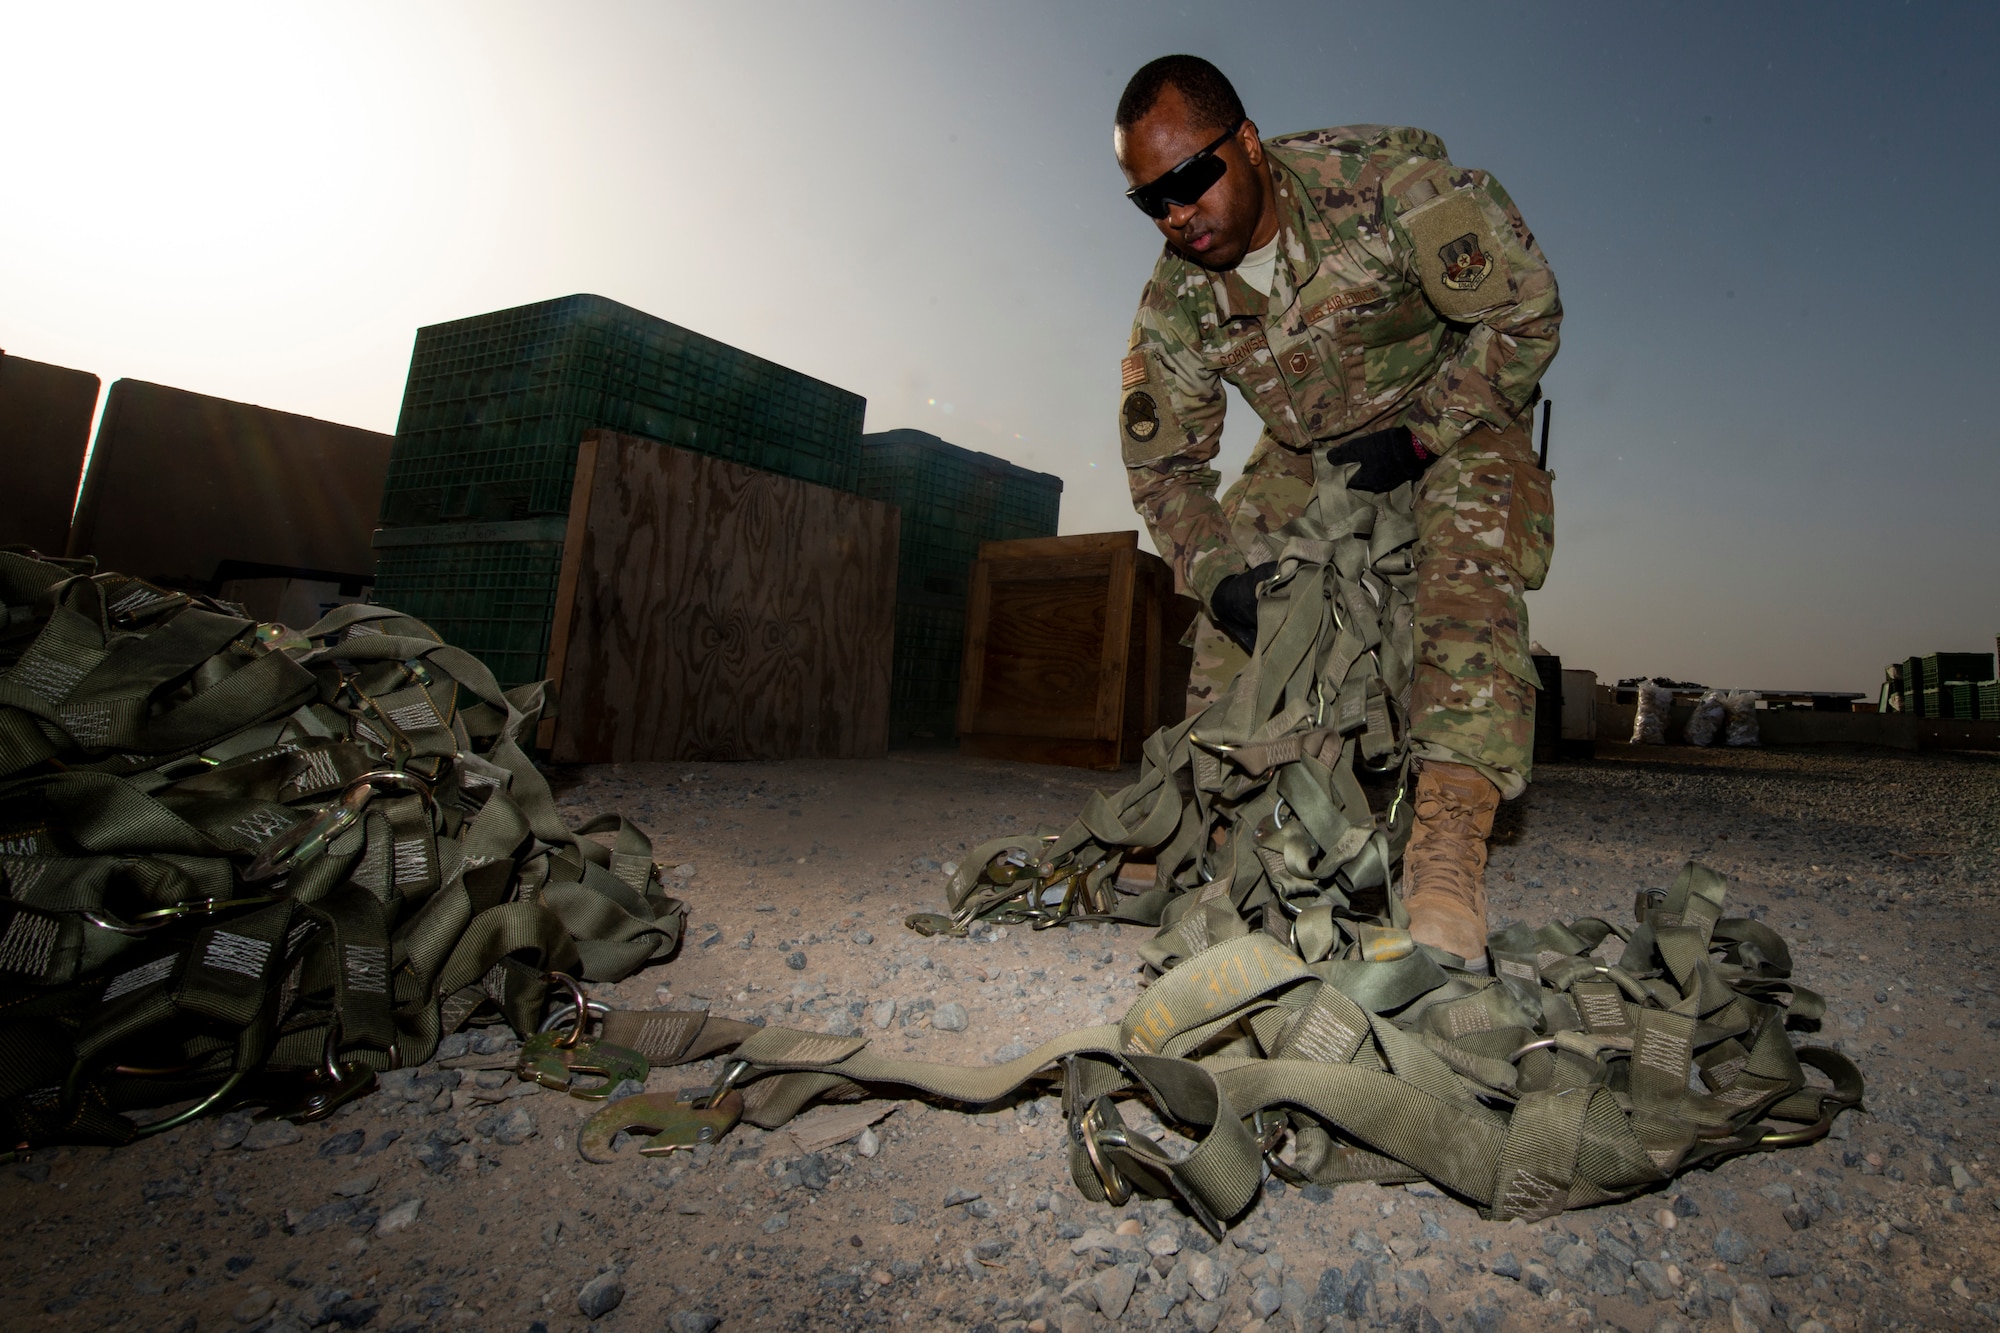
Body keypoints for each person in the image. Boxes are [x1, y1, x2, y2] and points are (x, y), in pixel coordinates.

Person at [1112, 55, 1561, 969]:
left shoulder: (1384, 185)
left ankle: (1444, 851)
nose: (1176, 214)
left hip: (1453, 408)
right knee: (1233, 579)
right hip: (1310, 448)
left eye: (1192, 178)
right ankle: (1221, 827)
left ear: (1246, 143)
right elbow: (1165, 467)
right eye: (1150, 199)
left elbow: (1527, 313)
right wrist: (1215, 574)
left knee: (1467, 568)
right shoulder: (1179, 300)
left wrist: (1426, 436)